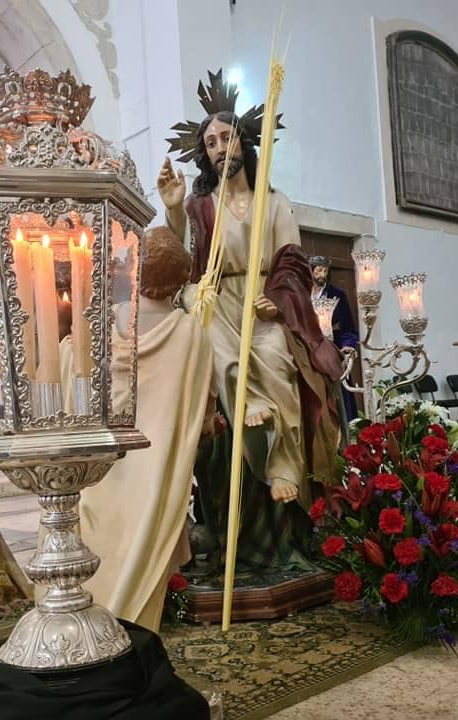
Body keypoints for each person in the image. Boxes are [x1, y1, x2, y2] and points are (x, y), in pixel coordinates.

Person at [160, 69, 343, 573]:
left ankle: (282, 464)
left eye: (226, 136)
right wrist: (174, 212)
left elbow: (293, 258)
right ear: (205, 154)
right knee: (200, 304)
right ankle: (245, 404)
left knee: (277, 363)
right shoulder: (200, 204)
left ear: (244, 140)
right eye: (210, 142)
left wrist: (280, 297)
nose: (219, 147)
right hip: (219, 297)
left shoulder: (274, 201)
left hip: (263, 302)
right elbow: (184, 259)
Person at [80, 226, 213, 631]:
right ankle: (134, 625)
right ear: (181, 280)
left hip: (105, 454)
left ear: (135, 270)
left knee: (98, 531)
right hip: (155, 464)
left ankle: (85, 612)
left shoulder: (106, 322)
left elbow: (81, 377)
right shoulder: (190, 331)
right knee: (144, 539)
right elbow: (198, 401)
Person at [309, 255, 359, 424]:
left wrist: (348, 345)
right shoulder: (301, 295)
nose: (322, 274)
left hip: (332, 349)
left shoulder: (337, 295)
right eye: (318, 270)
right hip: (307, 351)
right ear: (310, 272)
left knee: (338, 398)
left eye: (325, 270)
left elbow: (348, 328)